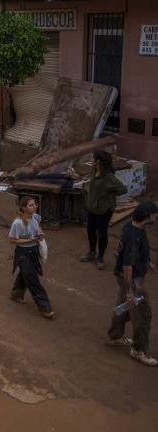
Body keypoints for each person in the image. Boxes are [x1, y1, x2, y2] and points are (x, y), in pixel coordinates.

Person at [106, 201, 158, 366]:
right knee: (143, 314)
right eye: (154, 214)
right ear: (147, 216)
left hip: (124, 277)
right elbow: (128, 265)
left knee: (123, 306)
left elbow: (121, 254)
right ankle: (139, 349)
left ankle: (115, 336)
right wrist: (130, 291)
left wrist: (146, 262)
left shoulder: (131, 226)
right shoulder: (134, 235)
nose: (156, 217)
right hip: (133, 281)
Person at [8, 197, 55, 319]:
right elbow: (12, 240)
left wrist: (40, 233)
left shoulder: (35, 217)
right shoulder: (17, 223)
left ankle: (16, 293)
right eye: (30, 205)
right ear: (24, 208)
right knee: (33, 280)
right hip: (23, 253)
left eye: (35, 204)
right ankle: (45, 307)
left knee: (26, 274)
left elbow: (38, 227)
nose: (34, 207)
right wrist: (30, 240)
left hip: (34, 251)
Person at [81, 150, 128, 269]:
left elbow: (123, 189)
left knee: (101, 233)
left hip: (104, 210)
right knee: (90, 230)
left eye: (94, 159)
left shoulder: (109, 177)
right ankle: (92, 252)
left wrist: (108, 194)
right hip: (92, 207)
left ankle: (100, 257)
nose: (93, 161)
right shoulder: (94, 171)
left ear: (99, 161)